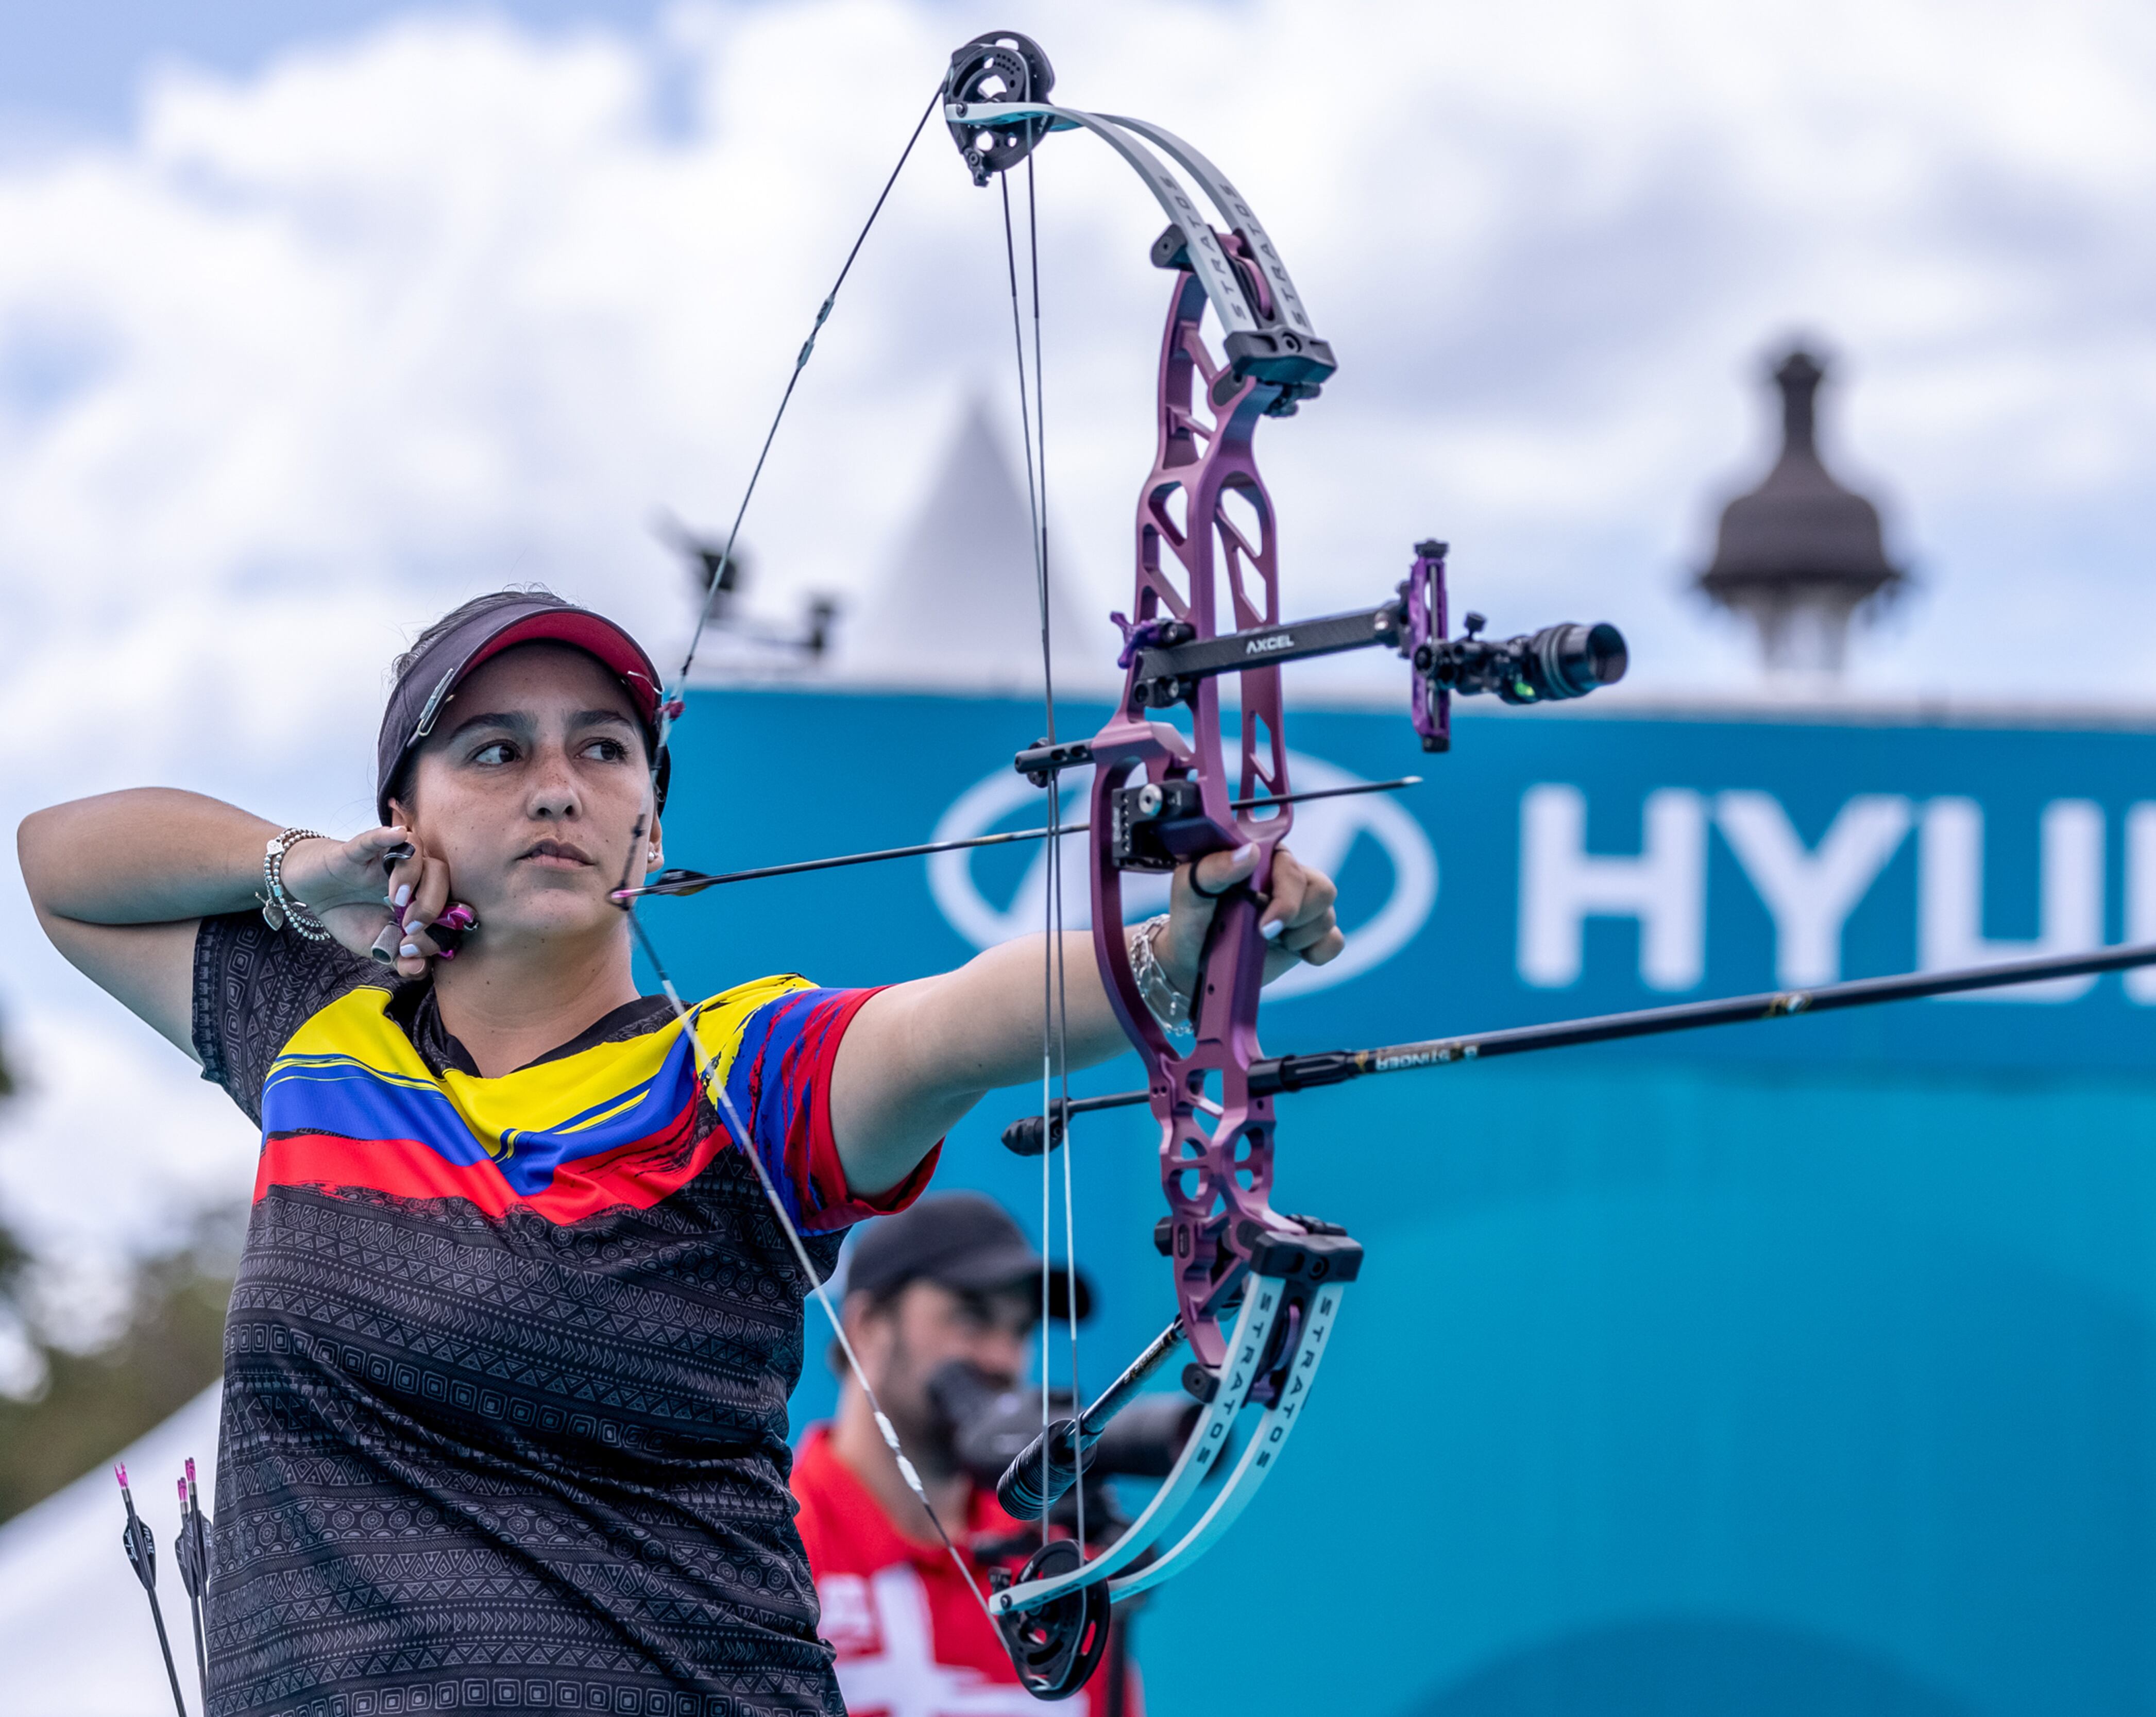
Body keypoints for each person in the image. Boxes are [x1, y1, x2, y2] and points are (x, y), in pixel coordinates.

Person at [15, 589, 1342, 1715]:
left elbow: (948, 1031)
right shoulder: (320, 1039)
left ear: (650, 824)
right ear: (402, 821)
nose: (555, 786)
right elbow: (59, 865)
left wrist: (1175, 955)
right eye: (492, 752)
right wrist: (304, 869)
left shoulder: (730, 1076)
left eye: (604, 751)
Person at [793, 1190, 1142, 1715]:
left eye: (1021, 1330)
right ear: (867, 1328)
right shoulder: (771, 1543)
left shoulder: (1055, 1570)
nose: (1003, 1358)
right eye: (970, 1318)